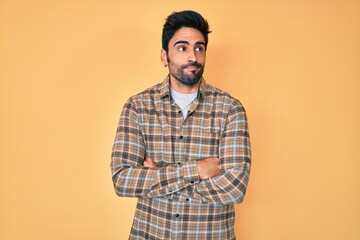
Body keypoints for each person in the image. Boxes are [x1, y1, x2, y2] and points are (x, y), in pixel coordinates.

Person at [111, 10, 251, 240]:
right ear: (165, 56)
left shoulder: (230, 109)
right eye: (182, 48)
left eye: (199, 48)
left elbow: (235, 187)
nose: (193, 57)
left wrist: (159, 178)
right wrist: (196, 170)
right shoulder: (138, 107)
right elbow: (122, 180)